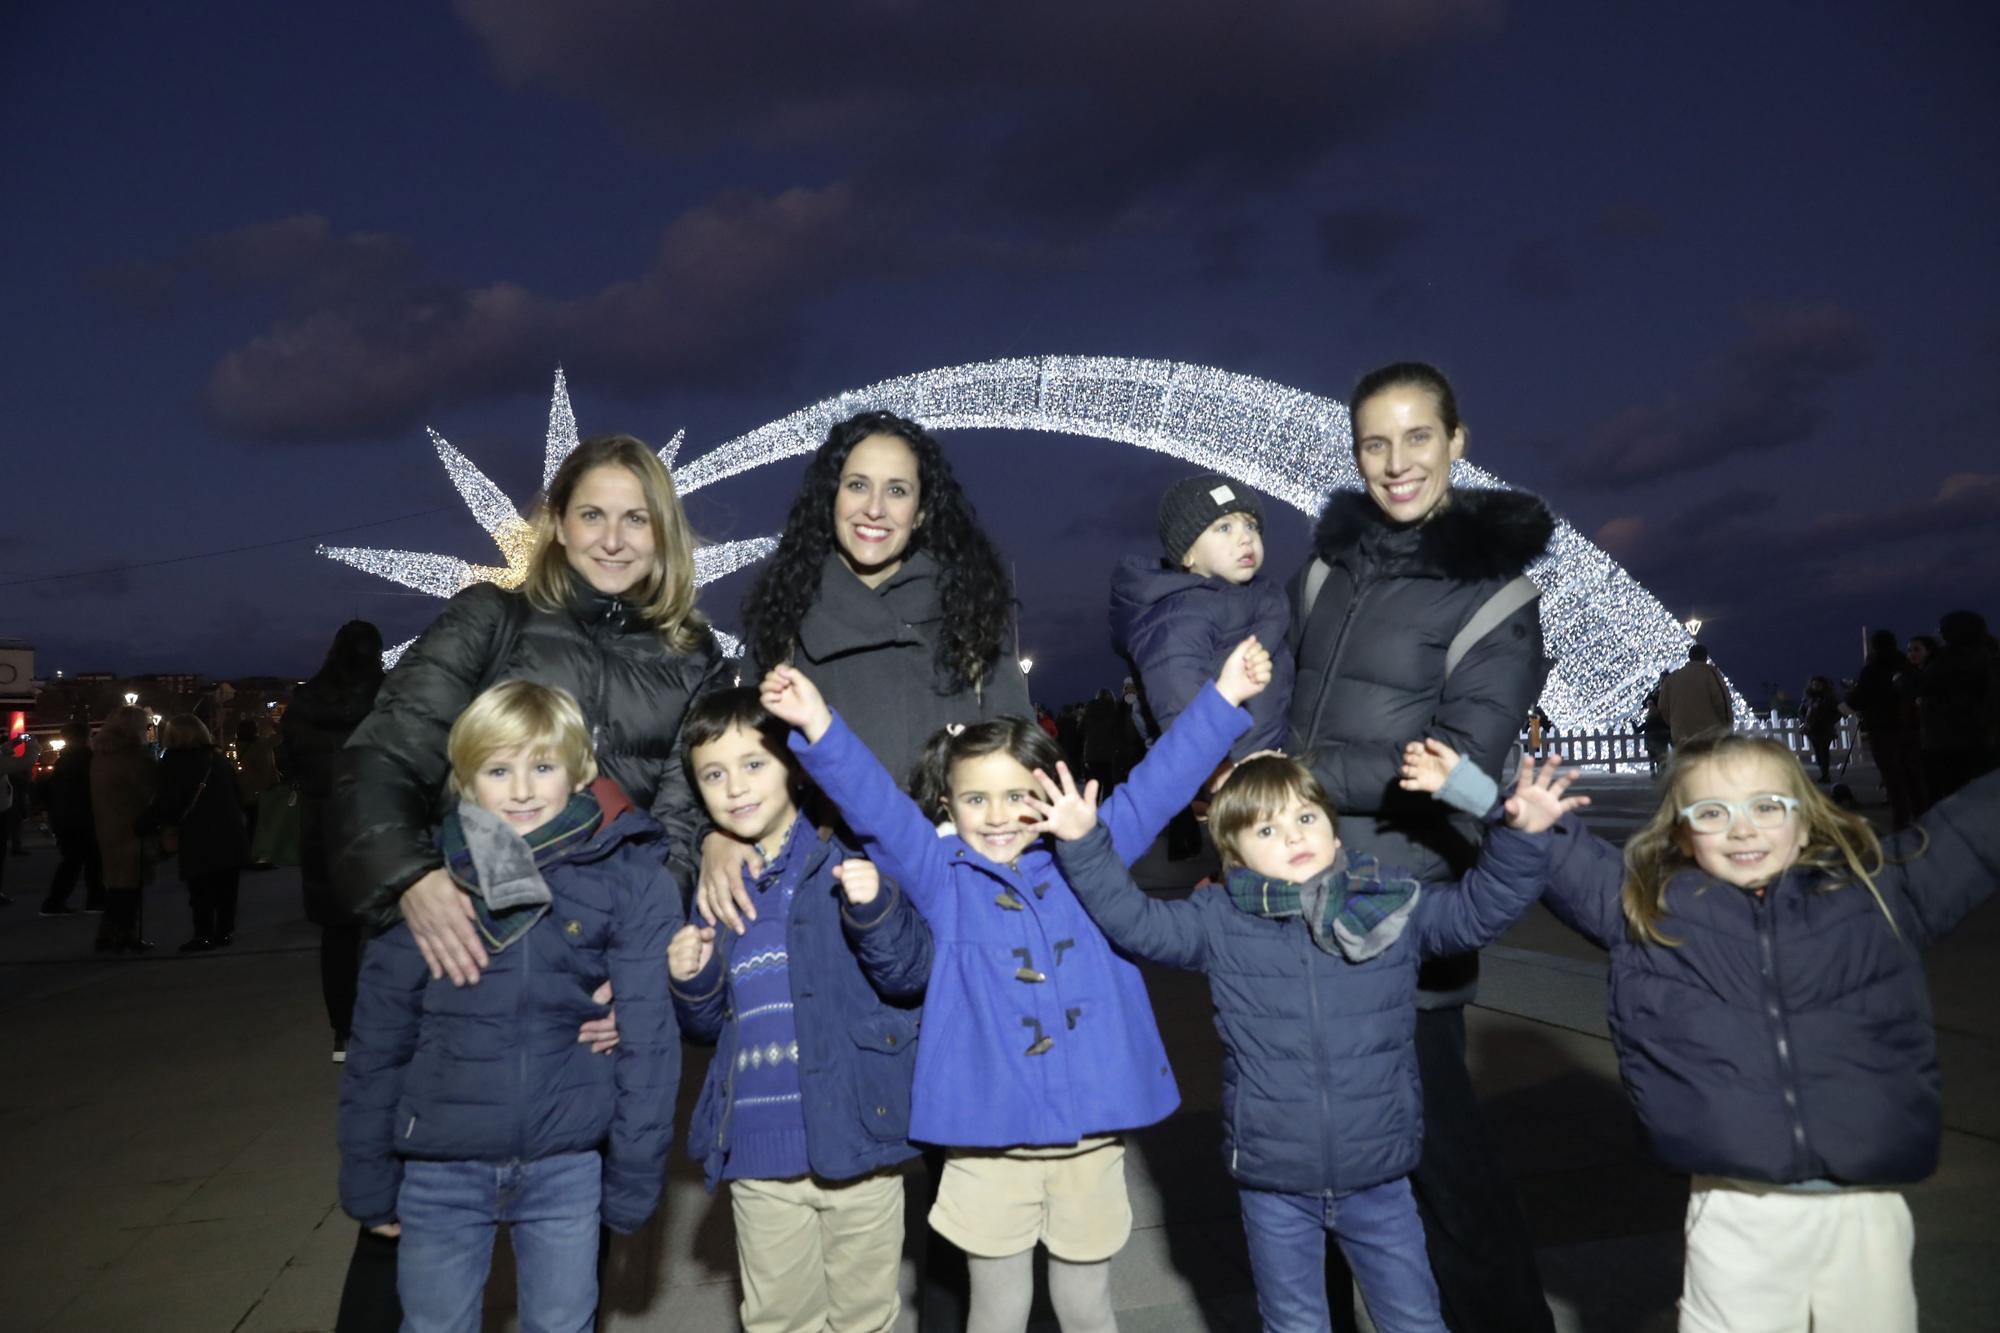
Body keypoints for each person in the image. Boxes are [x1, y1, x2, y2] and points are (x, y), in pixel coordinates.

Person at [760, 636, 1271, 1333]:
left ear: (1051, 791)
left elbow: (1161, 780)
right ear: (948, 803)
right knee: (997, 1307)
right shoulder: (944, 878)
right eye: (976, 798)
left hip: (1087, 1138)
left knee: (1087, 1304)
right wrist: (819, 724)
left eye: (1017, 796)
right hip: (986, 1140)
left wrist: (1224, 696)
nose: (997, 815)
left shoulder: (1092, 850)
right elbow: (876, 806)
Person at [330, 432, 723, 1331]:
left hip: (584, 968)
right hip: (464, 948)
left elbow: (679, 822)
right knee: (406, 1242)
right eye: (593, 513)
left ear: (664, 533)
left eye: (637, 519)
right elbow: (382, 757)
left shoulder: (691, 656)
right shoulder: (490, 620)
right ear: (556, 521)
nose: (614, 539)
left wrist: (640, 968)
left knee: (564, 1251)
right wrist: (411, 877)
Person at [1434, 728, 1999, 1333]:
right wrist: (1475, 790)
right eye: (1712, 812)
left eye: (1766, 806)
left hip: (1863, 1205)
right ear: (1682, 833)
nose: (1742, 828)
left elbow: (1967, 836)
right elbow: (1561, 852)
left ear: (1805, 821)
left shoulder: (1876, 898)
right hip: (1733, 1203)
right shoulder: (1653, 910)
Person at [1037, 745, 1578, 1333]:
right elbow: (1133, 920)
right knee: (1294, 1322)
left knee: (1413, 1317)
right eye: (1266, 827)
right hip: (1275, 1179)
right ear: (1234, 854)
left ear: (1333, 831)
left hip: (1379, 1171)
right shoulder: (1219, 919)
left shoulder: (1388, 902)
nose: (1293, 834)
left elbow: (1478, 911)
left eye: (1305, 816)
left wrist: (1521, 836)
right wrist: (1084, 843)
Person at [717, 408, 1033, 1331]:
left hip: (953, 901)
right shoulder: (785, 610)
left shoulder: (972, 608)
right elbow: (741, 757)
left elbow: (1015, 748)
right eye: (858, 483)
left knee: (969, 1150)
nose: (875, 505)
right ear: (829, 496)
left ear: (926, 507)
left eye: (898, 488)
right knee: (850, 1159)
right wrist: (718, 834)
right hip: (835, 903)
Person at [1286, 359, 1556, 1332]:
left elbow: (1455, 765)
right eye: (1372, 442)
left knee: (1445, 1175)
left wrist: (1296, 775)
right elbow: (1278, 703)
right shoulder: (1322, 570)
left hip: (1398, 912)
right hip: (1292, 903)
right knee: (1305, 1171)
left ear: (1456, 442)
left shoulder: (1493, 597)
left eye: (1415, 437)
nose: (1394, 462)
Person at [338, 681, 681, 1333]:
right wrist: (368, 1173)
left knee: (561, 1323)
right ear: (466, 781)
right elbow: (378, 1043)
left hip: (565, 1161)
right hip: (439, 1165)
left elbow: (650, 1042)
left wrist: (635, 1172)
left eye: (542, 766)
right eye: (499, 769)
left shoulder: (623, 878)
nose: (522, 790)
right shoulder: (429, 887)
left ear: (580, 774)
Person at [667, 688, 931, 1333]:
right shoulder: (718, 892)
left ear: (793, 764)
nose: (734, 787)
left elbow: (909, 976)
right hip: (758, 1151)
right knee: (779, 1316)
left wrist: (877, 912)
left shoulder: (846, 859)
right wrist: (694, 980)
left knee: (865, 1313)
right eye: (713, 774)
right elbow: (705, 1030)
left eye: (753, 764)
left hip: (857, 1136)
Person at [1109, 471, 1294, 764]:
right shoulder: (1177, 616)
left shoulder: (1268, 599)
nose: (1245, 537)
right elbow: (1178, 702)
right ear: (1187, 556)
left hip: (1274, 770)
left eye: (1251, 525)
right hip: (1225, 778)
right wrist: (1214, 776)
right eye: (1224, 528)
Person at [281, 620, 385, 1060]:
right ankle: (390, 1023)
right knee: (388, 928)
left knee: (337, 934)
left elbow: (285, 762)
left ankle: (344, 1030)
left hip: (324, 825)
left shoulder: (304, 703)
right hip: (379, 820)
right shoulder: (389, 696)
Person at [142, 715, 248, 952]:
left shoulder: (173, 762)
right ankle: (225, 930)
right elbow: (237, 794)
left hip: (198, 833)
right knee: (227, 887)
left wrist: (147, 822)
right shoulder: (217, 759)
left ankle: (204, 933)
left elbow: (169, 801)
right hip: (230, 831)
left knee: (201, 888)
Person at [89, 705, 158, 954]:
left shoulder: (102, 755)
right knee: (130, 885)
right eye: (147, 726)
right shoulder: (134, 758)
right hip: (132, 826)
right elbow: (151, 790)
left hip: (109, 826)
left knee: (117, 885)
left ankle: (109, 933)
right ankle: (124, 933)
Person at [1916, 609, 1998, 804]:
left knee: (1948, 793)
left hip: (1946, 738)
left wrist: (1901, 680)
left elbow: (1923, 686)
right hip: (1980, 735)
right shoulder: (1985, 655)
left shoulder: (1947, 658)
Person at [38, 723, 103, 915]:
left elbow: (46, 789)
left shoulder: (62, 760)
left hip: (64, 818)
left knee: (72, 861)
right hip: (84, 817)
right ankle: (94, 899)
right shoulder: (87, 759)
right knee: (92, 861)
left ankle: (56, 902)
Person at [1659, 644, 1732, 746]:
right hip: (1708, 735)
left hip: (1681, 737)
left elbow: (1663, 707)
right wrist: (1727, 727)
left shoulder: (1672, 679)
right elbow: (1722, 703)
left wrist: (1675, 724)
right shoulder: (1711, 674)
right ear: (1705, 657)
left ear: (1689, 657)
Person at [1798, 675, 1842, 785]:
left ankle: (1825, 774)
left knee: (1824, 751)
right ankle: (1823, 772)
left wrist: (1830, 721)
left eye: (1818, 684)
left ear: (1823, 685)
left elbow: (1838, 712)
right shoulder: (1808, 698)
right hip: (1812, 729)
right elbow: (1801, 711)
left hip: (1825, 728)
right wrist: (1805, 720)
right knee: (1818, 752)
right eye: (1814, 684)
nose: (1815, 686)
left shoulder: (1829, 698)